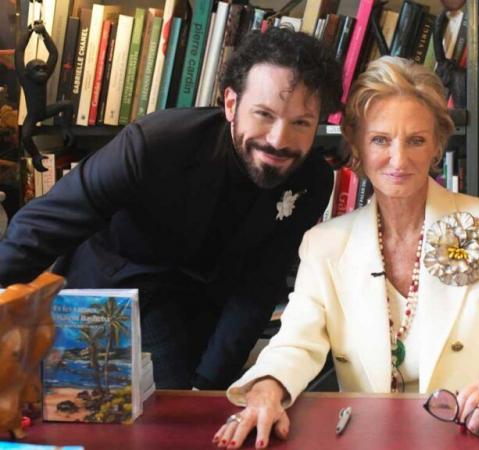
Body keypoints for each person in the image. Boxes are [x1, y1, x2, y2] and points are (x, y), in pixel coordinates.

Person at [212, 56, 479, 449]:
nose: (399, 160)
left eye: (416, 140)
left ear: (436, 146)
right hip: (368, 440)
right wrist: (266, 391)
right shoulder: (325, 244)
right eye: (380, 140)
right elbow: (295, 343)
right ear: (356, 144)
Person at [0, 28, 343, 390]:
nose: (279, 139)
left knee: (183, 413)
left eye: (300, 123)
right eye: (263, 114)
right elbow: (46, 223)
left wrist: (208, 384)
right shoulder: (157, 142)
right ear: (231, 104)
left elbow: (259, 287)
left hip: (197, 308)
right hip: (112, 283)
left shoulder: (314, 181)